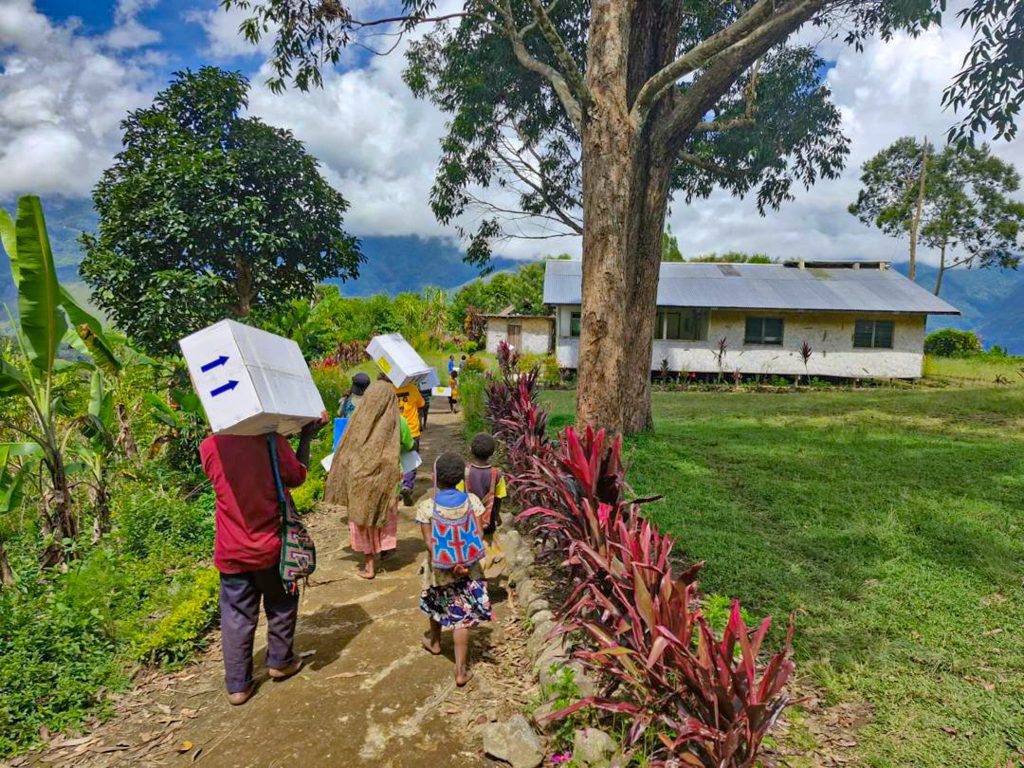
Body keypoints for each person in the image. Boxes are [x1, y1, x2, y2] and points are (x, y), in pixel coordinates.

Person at [200, 413, 325, 706]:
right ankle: (280, 661)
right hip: (272, 548)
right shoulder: (272, 442)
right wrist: (305, 437)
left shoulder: (210, 446)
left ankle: (237, 686)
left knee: (235, 617)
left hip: (231, 550)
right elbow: (297, 477)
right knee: (281, 603)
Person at [416, 452, 492, 686]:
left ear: (435, 477)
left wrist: (450, 564)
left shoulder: (427, 507)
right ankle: (461, 670)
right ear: (460, 478)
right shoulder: (472, 501)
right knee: (461, 618)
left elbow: (430, 544)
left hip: (440, 571)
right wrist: (462, 563)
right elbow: (478, 534)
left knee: (436, 604)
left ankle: (436, 643)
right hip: (468, 569)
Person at [323, 381, 413, 580]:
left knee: (363, 519)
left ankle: (369, 565)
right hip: (388, 480)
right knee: (384, 514)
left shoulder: (356, 421)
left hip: (359, 481)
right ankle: (386, 549)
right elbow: (408, 444)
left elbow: (344, 447)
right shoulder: (399, 421)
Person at [458, 433, 507, 536]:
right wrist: (497, 517)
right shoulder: (497, 474)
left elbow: (459, 496)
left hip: (468, 522)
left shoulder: (464, 472)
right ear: (492, 453)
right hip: (488, 523)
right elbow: (498, 500)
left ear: (470, 450)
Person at [394, 381, 425, 506]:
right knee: (410, 460)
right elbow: (421, 404)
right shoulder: (412, 388)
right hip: (412, 430)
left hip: (395, 429)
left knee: (396, 461)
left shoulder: (390, 389)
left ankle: (396, 489)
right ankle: (407, 486)